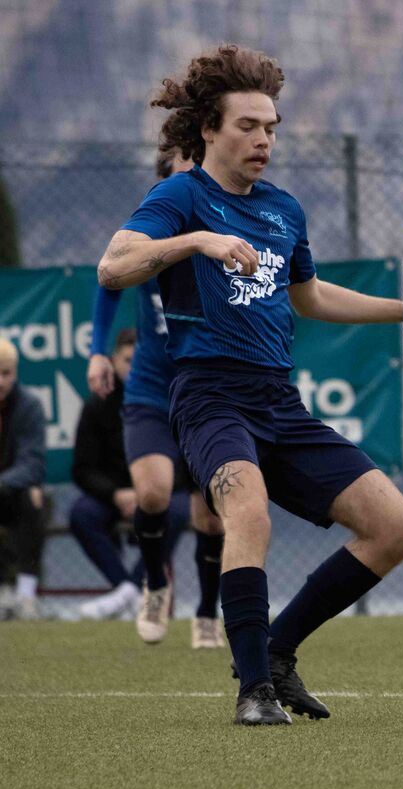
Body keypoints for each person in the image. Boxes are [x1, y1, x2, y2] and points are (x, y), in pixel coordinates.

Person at [96, 45, 403, 725]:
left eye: (271, 127)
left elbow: (311, 296)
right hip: (208, 398)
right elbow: (113, 267)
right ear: (209, 128)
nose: (263, 139)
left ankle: (276, 650)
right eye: (247, 126)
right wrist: (197, 241)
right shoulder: (180, 196)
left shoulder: (284, 209)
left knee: (396, 528)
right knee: (249, 512)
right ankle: (254, 692)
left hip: (277, 402)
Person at [87, 146, 229, 648]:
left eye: (198, 165)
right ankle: (155, 584)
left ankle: (207, 612)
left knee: (210, 513)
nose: (192, 174)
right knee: (151, 494)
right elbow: (108, 282)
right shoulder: (149, 235)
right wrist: (98, 352)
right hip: (151, 388)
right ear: (164, 179)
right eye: (181, 167)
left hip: (206, 389)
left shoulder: (224, 230)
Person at [73, 328, 188, 625]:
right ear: (113, 361)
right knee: (82, 513)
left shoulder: (169, 401)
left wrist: (149, 492)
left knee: (177, 510)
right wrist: (116, 494)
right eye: (127, 360)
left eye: (140, 360)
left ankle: (128, 591)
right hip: (114, 496)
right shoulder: (97, 406)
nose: (133, 367)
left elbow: (185, 464)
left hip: (160, 492)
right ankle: (130, 589)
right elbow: (83, 469)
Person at [0, 337, 48, 621]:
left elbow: (32, 464)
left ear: (15, 372)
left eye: (6, 373)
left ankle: (26, 594)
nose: (0, 381)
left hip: (12, 494)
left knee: (34, 498)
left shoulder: (30, 406)